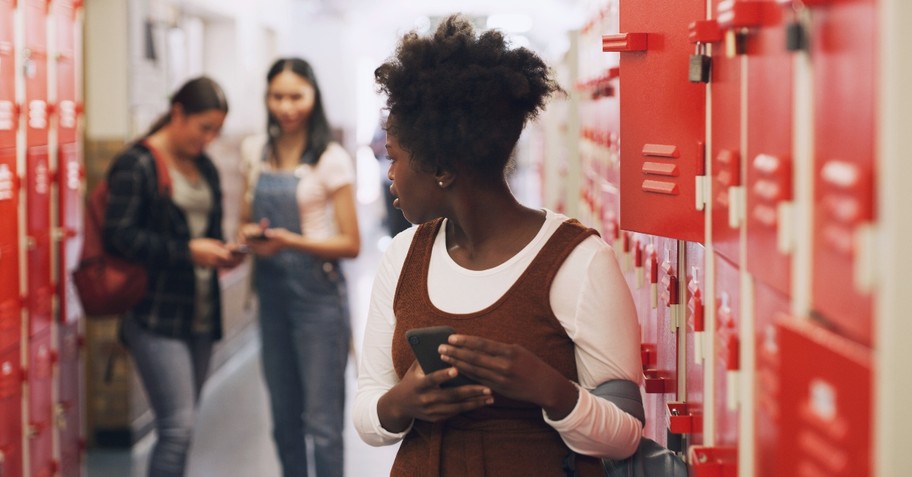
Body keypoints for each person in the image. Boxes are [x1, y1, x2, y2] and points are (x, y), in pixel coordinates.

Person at [353, 15, 644, 476]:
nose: (389, 173)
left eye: (395, 157)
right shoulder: (403, 255)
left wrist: (551, 390)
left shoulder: (579, 262)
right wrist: (403, 402)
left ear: (441, 167)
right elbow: (368, 410)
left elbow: (626, 434)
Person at [103, 76, 242, 477]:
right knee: (176, 428)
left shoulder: (205, 167)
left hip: (198, 311)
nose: (210, 138)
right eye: (204, 128)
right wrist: (187, 252)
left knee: (184, 424)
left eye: (217, 130)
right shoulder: (138, 163)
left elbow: (207, 234)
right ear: (177, 114)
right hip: (154, 313)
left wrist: (222, 252)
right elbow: (119, 236)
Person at [237, 57, 360, 477]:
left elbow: (351, 242)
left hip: (319, 298)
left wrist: (293, 243)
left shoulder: (331, 158)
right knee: (283, 422)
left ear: (314, 97)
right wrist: (250, 237)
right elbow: (241, 221)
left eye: (296, 96)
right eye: (278, 96)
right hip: (271, 295)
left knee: (323, 424)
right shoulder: (255, 152)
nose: (287, 107)